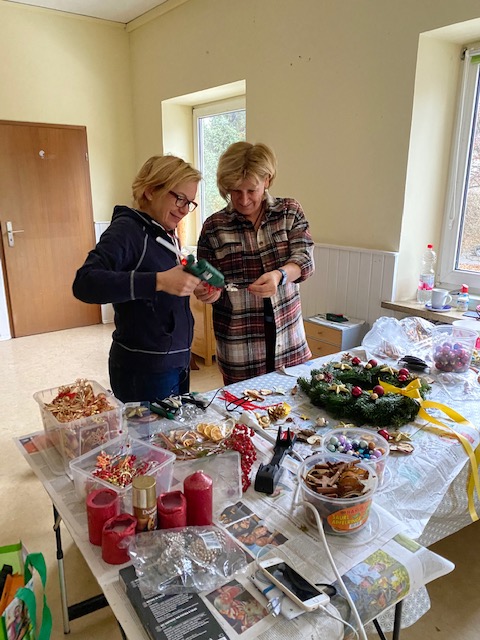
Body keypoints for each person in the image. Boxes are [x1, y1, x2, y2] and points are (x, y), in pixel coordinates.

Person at [73, 155, 203, 403]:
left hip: (175, 361)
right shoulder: (127, 231)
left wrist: (196, 285)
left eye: (190, 203)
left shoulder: (163, 232)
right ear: (150, 190)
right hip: (145, 369)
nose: (185, 210)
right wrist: (159, 281)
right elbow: (85, 282)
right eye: (179, 198)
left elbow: (165, 281)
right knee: (152, 430)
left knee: (174, 428)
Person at [195, 142, 314, 385]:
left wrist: (279, 275)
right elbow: (209, 280)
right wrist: (208, 292)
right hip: (240, 347)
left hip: (289, 341)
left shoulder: (289, 212)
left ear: (267, 180)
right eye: (235, 191)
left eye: (251, 190)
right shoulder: (214, 227)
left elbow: (304, 260)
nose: (244, 199)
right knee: (244, 407)